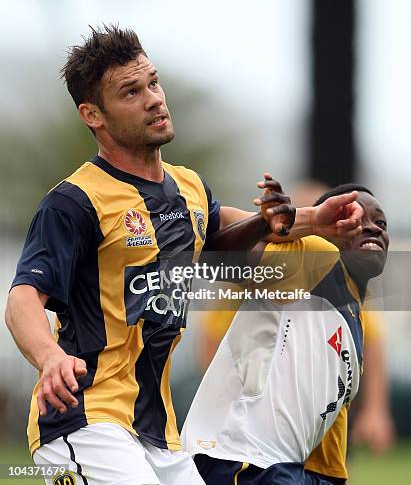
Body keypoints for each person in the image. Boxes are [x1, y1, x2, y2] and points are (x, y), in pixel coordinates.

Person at [4, 25, 362, 485]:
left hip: (157, 435)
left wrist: (313, 219)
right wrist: (49, 356)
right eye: (130, 92)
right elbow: (23, 298)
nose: (153, 99)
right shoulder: (74, 202)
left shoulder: (186, 188)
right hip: (85, 421)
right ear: (93, 114)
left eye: (153, 82)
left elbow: (216, 232)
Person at [182, 183, 389, 485]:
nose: (371, 227)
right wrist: (270, 224)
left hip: (280, 467)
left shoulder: (355, 317)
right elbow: (215, 254)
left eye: (380, 222)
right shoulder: (315, 259)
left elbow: (325, 467)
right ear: (326, 228)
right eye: (354, 219)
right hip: (239, 458)